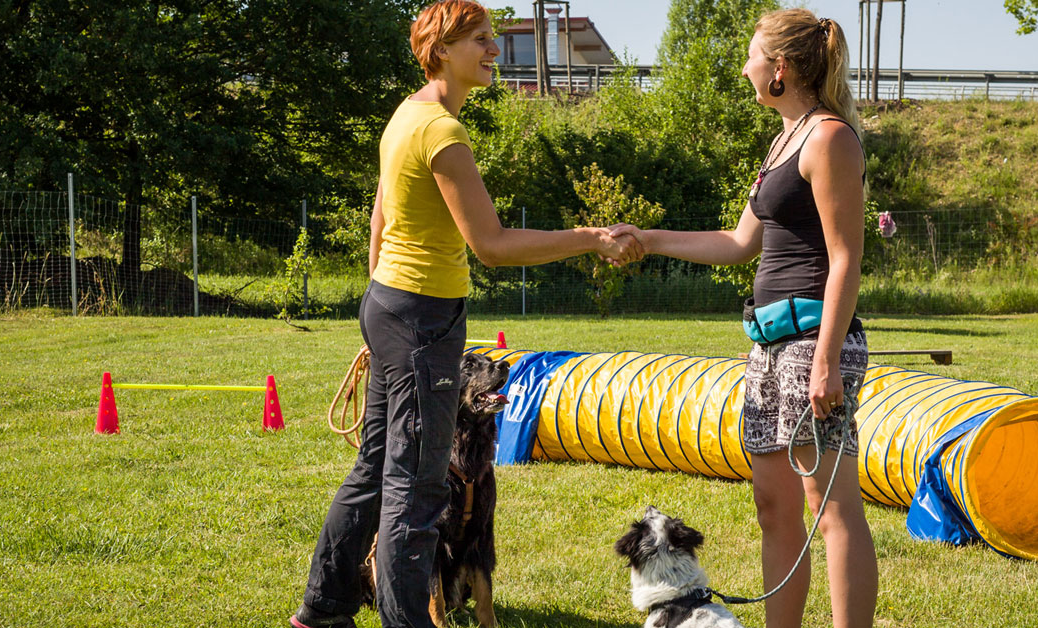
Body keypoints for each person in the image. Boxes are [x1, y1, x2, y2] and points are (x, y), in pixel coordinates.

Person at [291, 2, 641, 627]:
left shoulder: (408, 114)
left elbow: (381, 218)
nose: (492, 49)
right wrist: (590, 236)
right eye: (479, 40)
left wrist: (381, 307)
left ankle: (323, 608)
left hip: (393, 305)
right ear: (442, 49)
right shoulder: (442, 133)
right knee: (418, 485)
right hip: (421, 319)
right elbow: (494, 245)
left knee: (376, 465)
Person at [610, 8, 878, 628]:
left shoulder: (830, 137)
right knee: (773, 507)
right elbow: (737, 244)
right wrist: (648, 238)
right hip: (766, 345)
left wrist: (828, 360)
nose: (745, 67)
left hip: (813, 342)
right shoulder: (785, 137)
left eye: (752, 55)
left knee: (830, 505)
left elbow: (845, 260)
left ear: (779, 68)